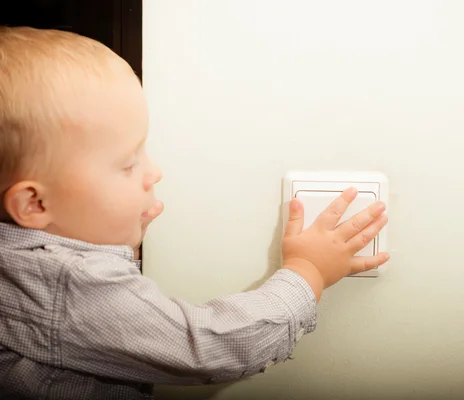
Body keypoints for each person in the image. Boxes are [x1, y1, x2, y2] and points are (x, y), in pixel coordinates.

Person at [0, 26, 389, 400]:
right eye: (127, 164)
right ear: (34, 204)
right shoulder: (71, 285)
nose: (154, 172)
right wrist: (309, 270)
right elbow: (207, 347)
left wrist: (115, 243)